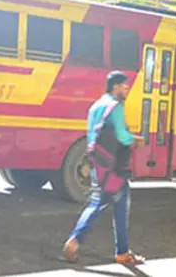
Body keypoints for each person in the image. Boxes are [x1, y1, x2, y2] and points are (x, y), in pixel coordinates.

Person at [60, 71, 146, 266]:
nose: (126, 89)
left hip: (98, 163)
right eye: (124, 86)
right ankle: (77, 242)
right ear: (115, 86)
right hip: (115, 165)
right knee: (107, 203)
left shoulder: (96, 106)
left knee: (107, 202)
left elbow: (93, 136)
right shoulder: (115, 106)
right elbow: (122, 137)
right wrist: (136, 140)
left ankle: (119, 250)